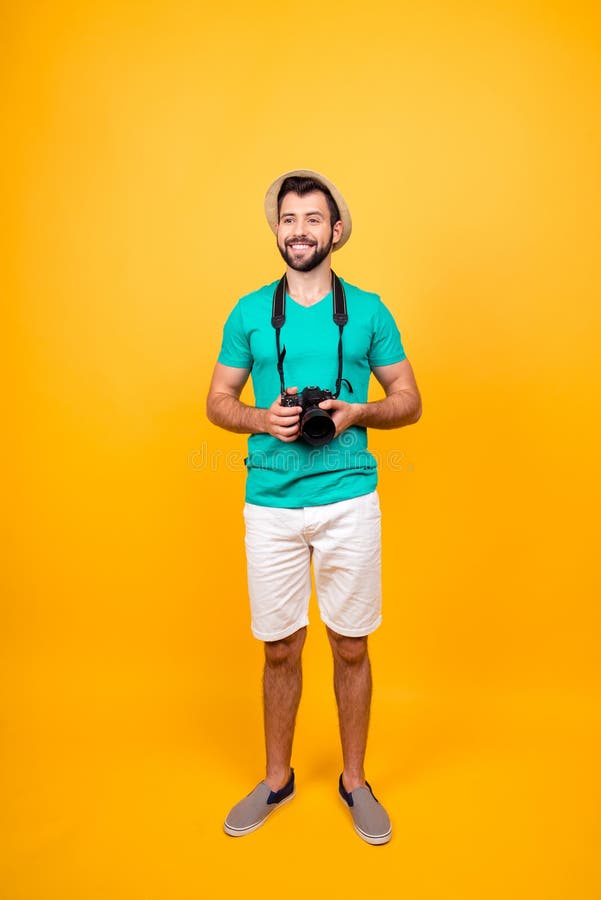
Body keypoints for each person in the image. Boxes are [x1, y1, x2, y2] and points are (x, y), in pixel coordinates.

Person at [206, 169, 421, 845]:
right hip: (268, 503)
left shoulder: (370, 309)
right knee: (279, 648)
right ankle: (277, 779)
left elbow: (410, 400)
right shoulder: (246, 312)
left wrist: (358, 410)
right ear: (277, 230)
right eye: (287, 218)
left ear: (334, 230)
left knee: (350, 646)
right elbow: (215, 401)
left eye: (311, 219)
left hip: (348, 500)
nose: (298, 230)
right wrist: (260, 420)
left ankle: (354, 783)